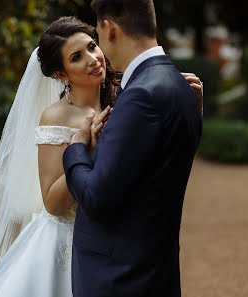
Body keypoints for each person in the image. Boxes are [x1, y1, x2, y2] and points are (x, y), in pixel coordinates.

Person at [0, 16, 203, 297]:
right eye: (77, 57)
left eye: (91, 46)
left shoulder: (125, 98)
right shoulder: (56, 116)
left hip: (118, 238)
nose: (92, 58)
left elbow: (163, 159)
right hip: (66, 246)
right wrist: (87, 150)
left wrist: (191, 108)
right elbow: (52, 202)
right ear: (62, 74)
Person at [62, 1, 203, 297]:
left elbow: (96, 199)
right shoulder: (179, 85)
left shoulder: (141, 95)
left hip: (121, 279)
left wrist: (76, 149)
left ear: (109, 29)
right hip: (154, 272)